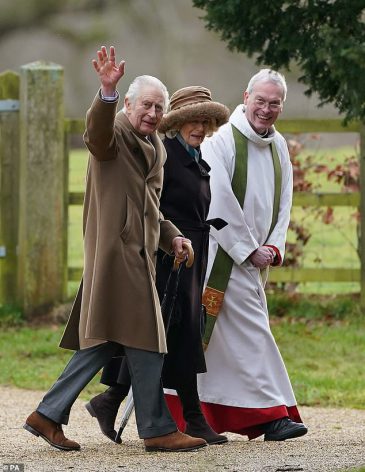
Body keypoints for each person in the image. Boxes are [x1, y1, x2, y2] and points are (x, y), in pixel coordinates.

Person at [23, 46, 207, 453]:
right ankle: (157, 428)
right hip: (115, 256)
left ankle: (47, 414)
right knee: (149, 339)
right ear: (127, 104)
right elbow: (95, 133)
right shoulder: (115, 133)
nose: (153, 113)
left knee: (108, 341)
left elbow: (152, 210)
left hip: (140, 257)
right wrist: (105, 92)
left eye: (159, 107)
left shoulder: (156, 147)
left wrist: (173, 235)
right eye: (146, 105)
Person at [168, 69, 308, 441]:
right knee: (252, 333)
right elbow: (218, 200)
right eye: (260, 100)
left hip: (256, 258)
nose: (266, 109)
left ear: (282, 106)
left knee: (218, 346)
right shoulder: (223, 140)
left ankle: (190, 413)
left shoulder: (278, 145)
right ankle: (271, 415)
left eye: (274, 103)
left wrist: (274, 247)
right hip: (221, 256)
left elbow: (284, 201)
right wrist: (248, 249)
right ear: (246, 97)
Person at [85, 86, 230, 445]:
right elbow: (150, 206)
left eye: (206, 121)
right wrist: (167, 241)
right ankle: (187, 418)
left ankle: (110, 399)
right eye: (193, 120)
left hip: (191, 252)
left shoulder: (194, 155)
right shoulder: (166, 154)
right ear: (177, 123)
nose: (200, 127)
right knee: (163, 335)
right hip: (165, 258)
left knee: (174, 334)